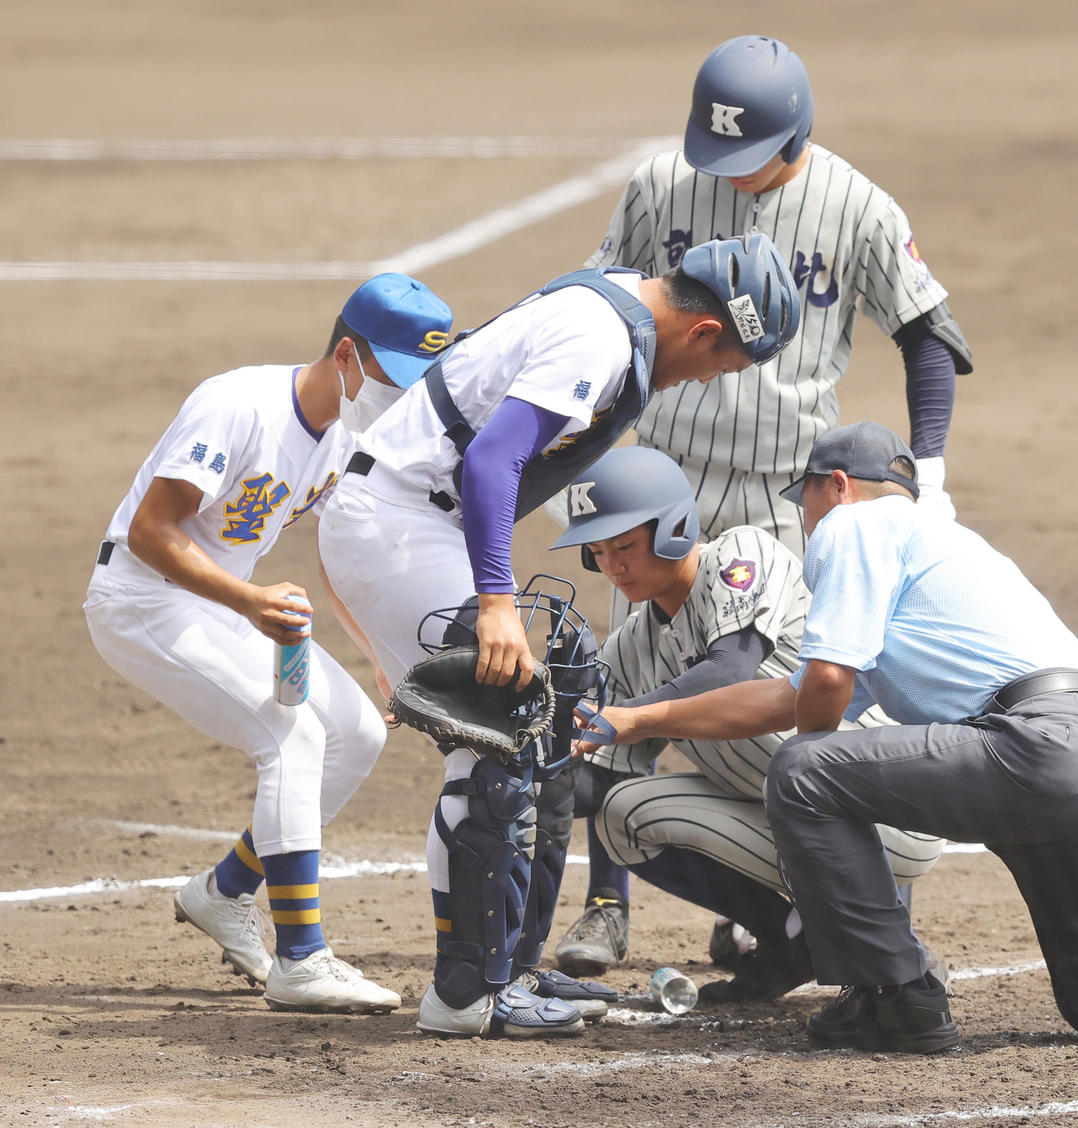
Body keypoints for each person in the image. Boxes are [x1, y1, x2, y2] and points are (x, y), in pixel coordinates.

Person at [578, 420, 1078, 1053]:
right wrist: (640, 719)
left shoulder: (856, 526)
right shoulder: (941, 554)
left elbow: (820, 692)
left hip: (1038, 749)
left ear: (838, 486)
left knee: (803, 771)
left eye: (807, 499)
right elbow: (790, 698)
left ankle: (897, 995)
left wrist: (810, 766)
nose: (805, 517)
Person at [316, 233, 802, 1038]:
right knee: (503, 738)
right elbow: (492, 461)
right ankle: (466, 996)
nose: (707, 379)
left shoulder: (618, 308)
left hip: (414, 526)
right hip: (402, 526)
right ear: (706, 330)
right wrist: (495, 601)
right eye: (721, 365)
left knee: (538, 728)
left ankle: (508, 967)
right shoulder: (600, 337)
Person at [561, 33, 974, 967]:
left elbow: (927, 334)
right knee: (627, 681)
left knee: (808, 686)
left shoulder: (858, 206)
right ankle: (605, 905)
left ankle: (801, 892)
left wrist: (930, 472)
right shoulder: (662, 183)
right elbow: (601, 296)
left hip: (792, 495)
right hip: (663, 476)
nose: (732, 171)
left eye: (750, 154)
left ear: (798, 134)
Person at [83, 273, 454, 1013]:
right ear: (345, 354)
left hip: (223, 605)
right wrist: (250, 601)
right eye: (392, 375)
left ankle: (223, 893)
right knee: (292, 736)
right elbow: (150, 531)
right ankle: (302, 959)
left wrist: (378, 659)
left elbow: (337, 549)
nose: (401, 394)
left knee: (356, 733)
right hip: (142, 601)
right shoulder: (238, 405)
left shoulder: (348, 437)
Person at [540, 445, 944, 1003]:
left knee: (813, 818)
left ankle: (883, 939)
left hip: (885, 805)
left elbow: (729, 669)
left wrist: (630, 717)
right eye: (598, 552)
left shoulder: (740, 554)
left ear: (673, 528)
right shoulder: (630, 648)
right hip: (789, 813)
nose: (613, 566)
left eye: (625, 546)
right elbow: (598, 779)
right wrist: (521, 771)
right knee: (622, 814)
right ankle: (790, 943)